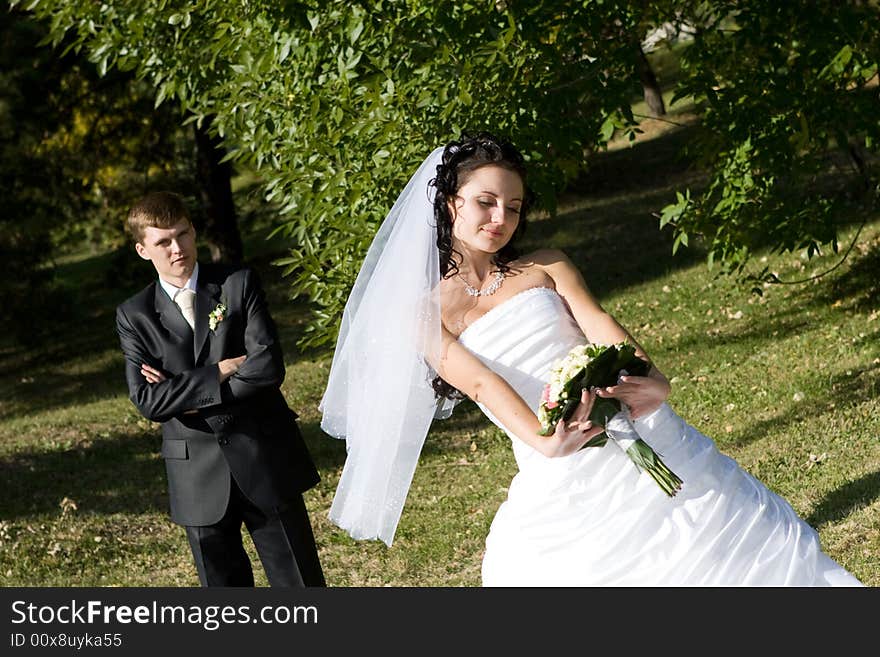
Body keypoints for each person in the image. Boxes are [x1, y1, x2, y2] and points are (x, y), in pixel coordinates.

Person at [320, 132, 864, 586]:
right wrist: (545, 441)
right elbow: (481, 383)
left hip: (637, 421)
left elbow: (600, 325)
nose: (500, 218)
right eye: (485, 201)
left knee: (725, 535)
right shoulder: (424, 313)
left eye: (512, 207)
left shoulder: (546, 266)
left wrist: (654, 381)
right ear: (450, 203)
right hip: (556, 449)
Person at [116, 191, 325, 587]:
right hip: (195, 473)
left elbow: (266, 367)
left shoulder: (237, 283)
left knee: (300, 583)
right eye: (163, 242)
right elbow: (147, 399)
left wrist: (185, 394)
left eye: (183, 234)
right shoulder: (134, 314)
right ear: (143, 250)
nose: (177, 249)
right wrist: (221, 371)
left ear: (194, 232)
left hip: (263, 453)